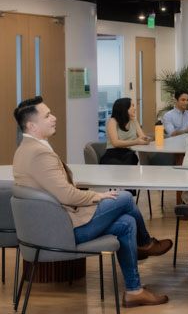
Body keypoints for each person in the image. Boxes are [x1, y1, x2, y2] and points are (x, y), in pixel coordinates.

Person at [12, 96, 172, 307]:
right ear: (32, 125)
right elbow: (68, 196)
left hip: (55, 224)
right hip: (62, 230)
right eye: (47, 115)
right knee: (124, 198)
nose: (54, 118)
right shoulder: (39, 154)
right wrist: (98, 196)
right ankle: (145, 243)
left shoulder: (26, 149)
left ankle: (134, 291)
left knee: (127, 223)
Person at [100, 98, 150, 165]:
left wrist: (145, 139)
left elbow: (142, 138)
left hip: (129, 155)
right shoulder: (112, 121)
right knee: (126, 162)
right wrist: (136, 142)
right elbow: (115, 143)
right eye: (132, 106)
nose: (135, 108)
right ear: (125, 108)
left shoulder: (133, 121)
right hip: (113, 155)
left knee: (132, 157)